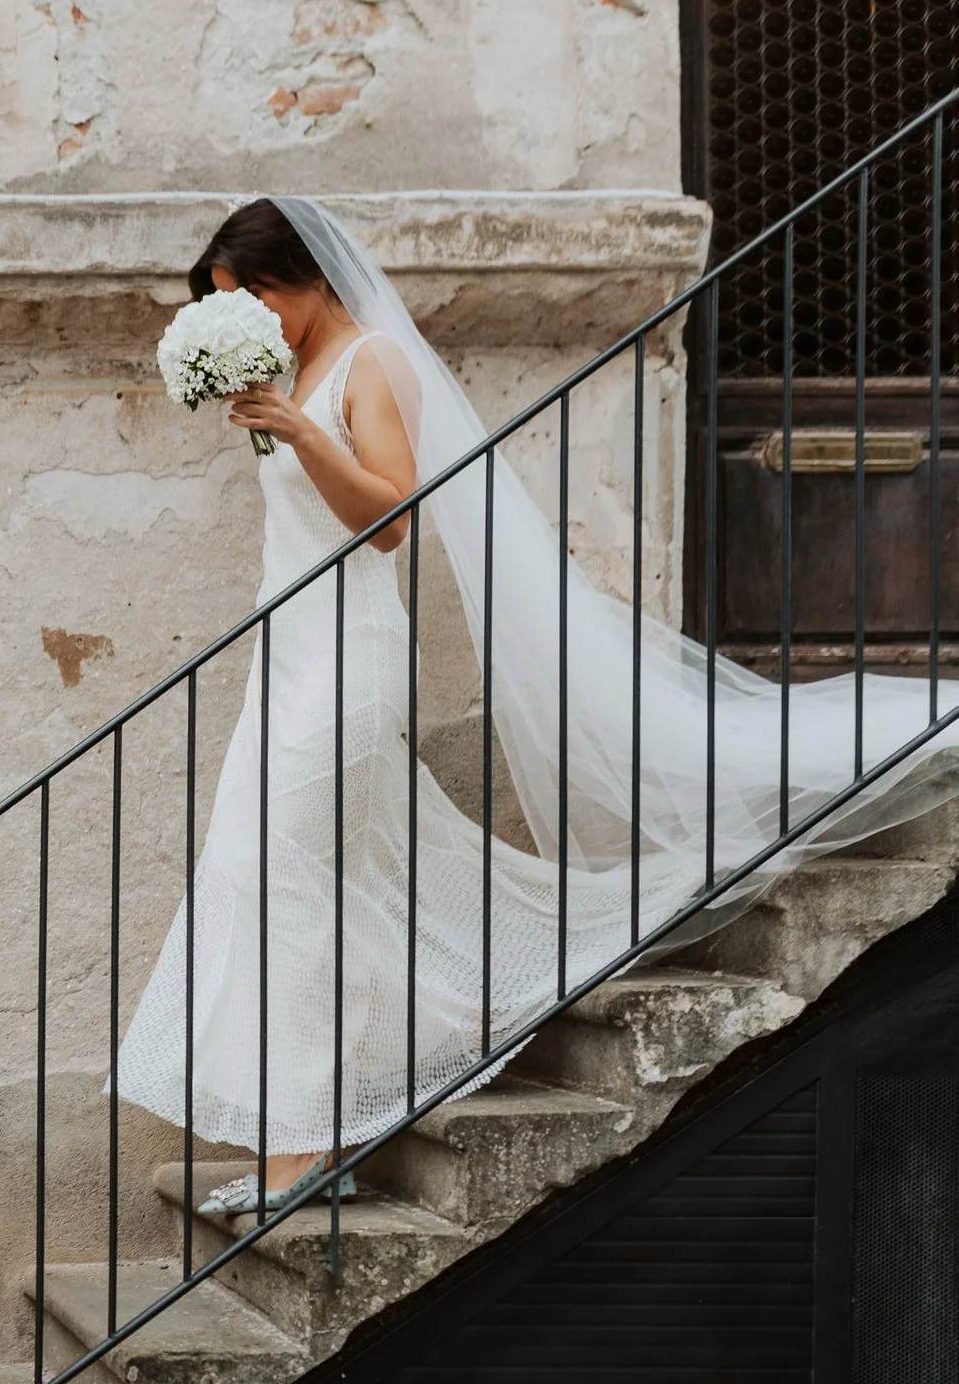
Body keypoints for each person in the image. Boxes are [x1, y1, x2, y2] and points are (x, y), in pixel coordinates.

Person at [114, 197, 959, 1215]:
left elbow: (386, 520)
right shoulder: (292, 375)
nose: (248, 313)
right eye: (226, 303)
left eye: (254, 294)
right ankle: (311, 1123)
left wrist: (299, 426)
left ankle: (307, 1148)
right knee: (274, 873)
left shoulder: (369, 363)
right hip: (286, 651)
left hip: (348, 657)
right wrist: (279, 407)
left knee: (289, 876)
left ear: (308, 279)